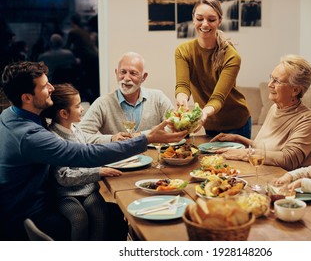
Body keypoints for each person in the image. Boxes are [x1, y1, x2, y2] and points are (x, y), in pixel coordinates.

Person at [0, 61, 187, 241]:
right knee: (115, 220)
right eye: (44, 86)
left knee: (109, 213)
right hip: (26, 216)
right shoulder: (30, 135)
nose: (51, 88)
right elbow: (84, 155)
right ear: (27, 98)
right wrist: (147, 139)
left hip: (28, 203)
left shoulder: (11, 114)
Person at [41, 83, 122, 240]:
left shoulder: (77, 130)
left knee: (100, 214)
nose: (82, 109)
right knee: (79, 218)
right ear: (64, 113)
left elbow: (88, 156)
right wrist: (98, 172)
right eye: (78, 106)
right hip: (65, 195)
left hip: (88, 190)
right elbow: (63, 177)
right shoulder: (53, 138)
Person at [211, 54, 311, 171]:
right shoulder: (275, 108)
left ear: (295, 90)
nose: (269, 84)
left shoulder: (307, 119)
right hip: (267, 174)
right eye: (271, 78)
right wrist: (238, 139)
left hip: (291, 184)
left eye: (276, 81)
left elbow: (289, 159)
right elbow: (266, 148)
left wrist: (244, 153)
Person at [174, 0, 251, 138]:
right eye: (199, 18)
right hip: (209, 122)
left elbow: (218, 97)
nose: (205, 24)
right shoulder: (183, 51)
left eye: (211, 19)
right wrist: (182, 100)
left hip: (236, 123)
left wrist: (204, 113)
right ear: (193, 19)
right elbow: (182, 85)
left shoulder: (231, 56)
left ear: (220, 21)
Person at [79, 51, 174, 143]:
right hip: (119, 159)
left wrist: (142, 135)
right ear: (116, 73)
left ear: (144, 77)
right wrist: (111, 139)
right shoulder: (102, 103)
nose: (127, 78)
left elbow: (173, 126)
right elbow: (80, 136)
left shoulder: (158, 98)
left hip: (154, 158)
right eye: (123, 72)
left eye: (133, 73)